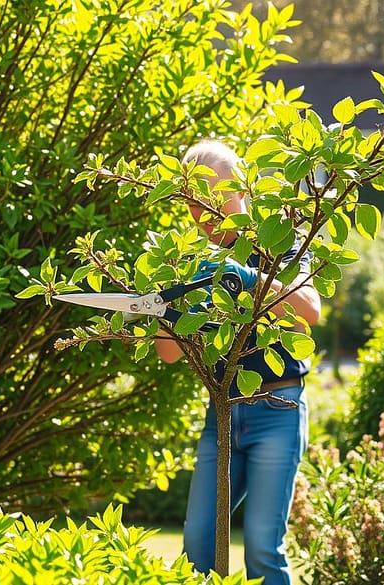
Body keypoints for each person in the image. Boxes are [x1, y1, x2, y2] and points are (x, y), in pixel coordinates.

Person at [154, 139, 321, 584]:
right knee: (197, 546)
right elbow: (167, 353)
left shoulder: (279, 240)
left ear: (241, 190)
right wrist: (169, 301)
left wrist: (248, 277)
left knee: (263, 549)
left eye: (212, 200)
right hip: (223, 415)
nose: (203, 216)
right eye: (193, 206)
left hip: (277, 411)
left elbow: (309, 310)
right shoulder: (193, 261)